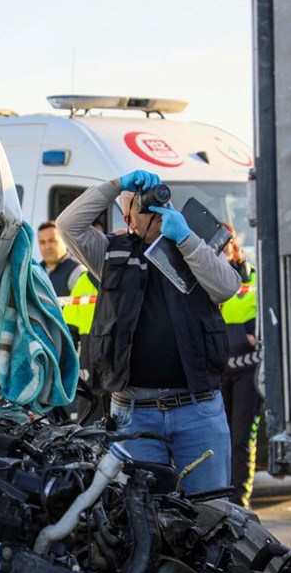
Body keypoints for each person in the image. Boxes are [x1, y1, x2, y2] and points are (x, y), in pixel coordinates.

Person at [56, 171, 241, 494]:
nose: (154, 208)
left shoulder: (192, 248)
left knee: (212, 512)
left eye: (160, 198)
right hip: (134, 413)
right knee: (142, 516)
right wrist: (116, 185)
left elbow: (227, 286)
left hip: (197, 409)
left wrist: (184, 238)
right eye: (143, 204)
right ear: (128, 217)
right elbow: (68, 225)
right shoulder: (111, 254)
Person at [219, 223, 261, 507]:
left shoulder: (253, 278)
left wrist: (243, 333)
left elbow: (260, 328)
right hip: (216, 371)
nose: (221, 251)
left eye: (225, 245)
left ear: (234, 246)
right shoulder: (201, 275)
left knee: (240, 438)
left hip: (248, 371)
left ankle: (238, 501)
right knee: (217, 439)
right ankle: (218, 498)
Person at [37, 220, 86, 299]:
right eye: (42, 242)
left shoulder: (77, 271)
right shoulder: (35, 271)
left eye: (52, 240)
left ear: (65, 241)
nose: (47, 247)